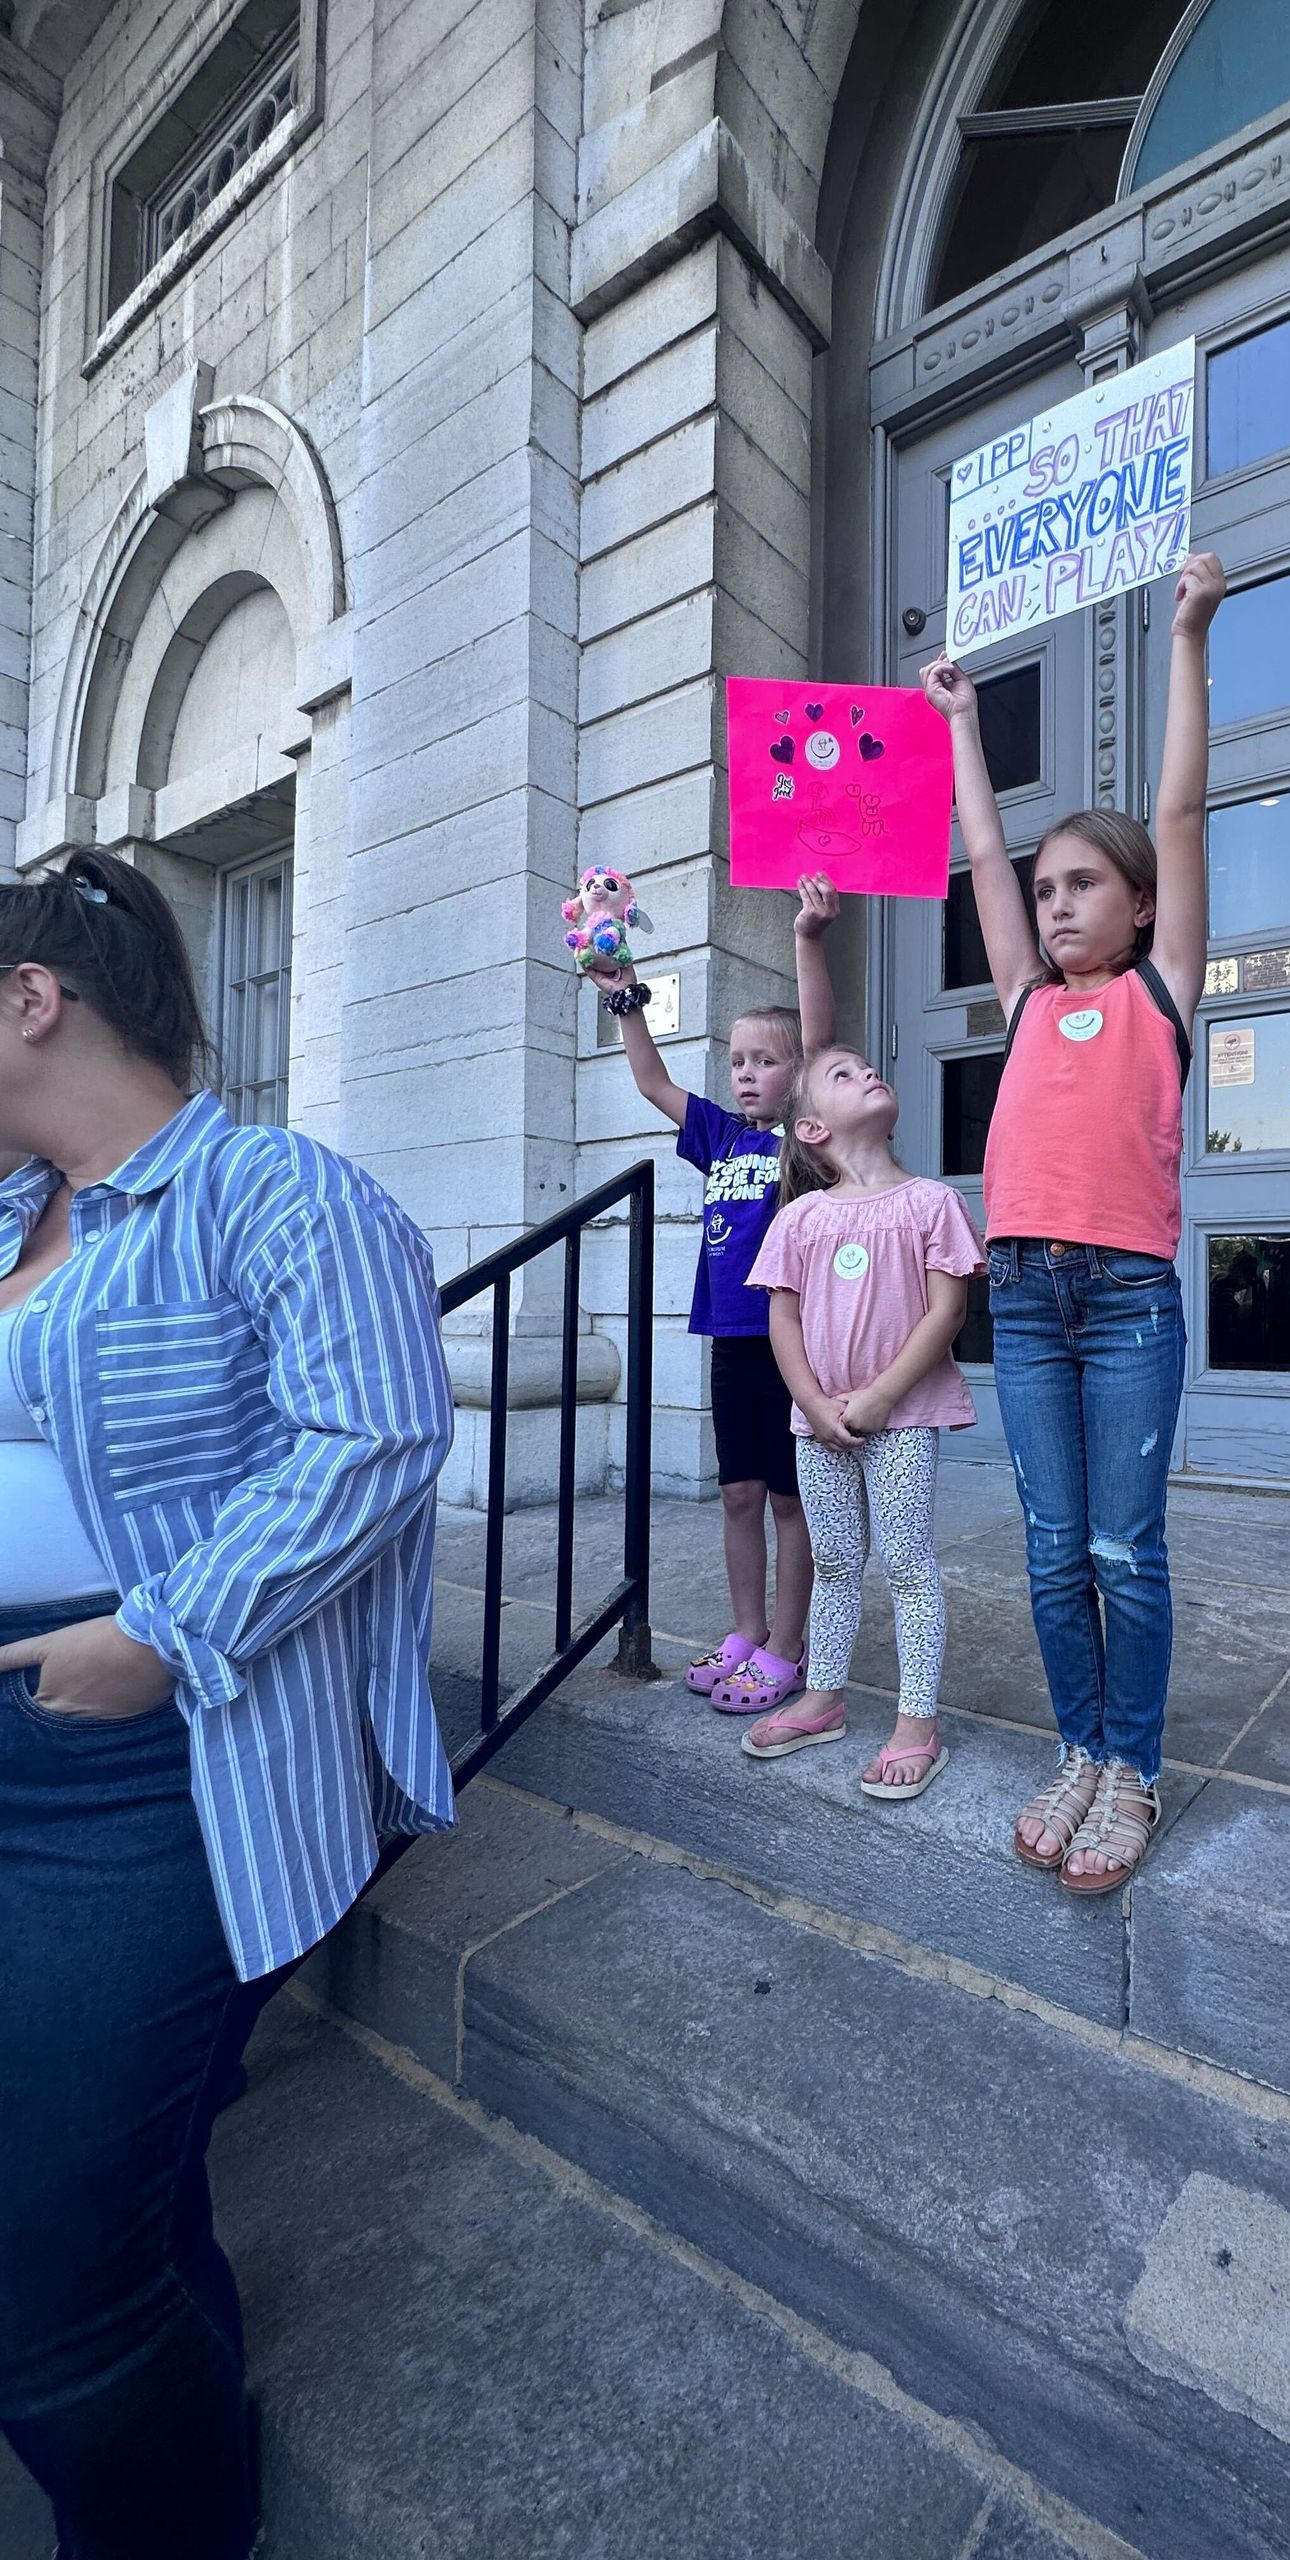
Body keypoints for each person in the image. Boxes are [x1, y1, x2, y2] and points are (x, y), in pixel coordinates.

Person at [0, 851, 455, 2555]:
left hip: (149, 1772)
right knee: (116, 2182)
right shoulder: (11, 1213)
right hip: (17, 1760)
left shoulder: (277, 1193)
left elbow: (380, 1437)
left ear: (34, 999)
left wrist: (165, 1634)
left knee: (42, 2282)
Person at [922, 550, 1224, 1895]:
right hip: (1028, 1296)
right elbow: (980, 848)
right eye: (1046, 893)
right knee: (1052, 1550)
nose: (1054, 904)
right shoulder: (1028, 1000)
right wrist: (960, 726)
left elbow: (1181, 804)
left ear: (1142, 905)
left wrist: (1189, 638)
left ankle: (1137, 1767)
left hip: (1126, 1298)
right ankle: (1082, 1748)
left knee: (1123, 1547)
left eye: (1084, 886)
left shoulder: (1160, 994)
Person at [587, 878, 837, 1715]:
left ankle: (791, 1647)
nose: (748, 1074)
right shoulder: (723, 1136)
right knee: (737, 1493)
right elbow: (655, 1082)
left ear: (797, 1074)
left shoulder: (807, 1136)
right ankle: (748, 1633)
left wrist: (808, 937)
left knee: (789, 1499)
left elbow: (822, 1032)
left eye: (766, 1060)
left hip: (791, 1342)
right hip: (732, 1339)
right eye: (738, 1061)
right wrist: (624, 996)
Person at [741, 1045, 982, 1797]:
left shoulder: (931, 1203)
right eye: (843, 1074)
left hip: (901, 1416)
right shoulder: (800, 1218)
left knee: (907, 1562)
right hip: (818, 1423)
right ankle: (826, 1694)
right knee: (837, 1562)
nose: (868, 1072)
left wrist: (880, 1396)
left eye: (868, 1067)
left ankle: (917, 1720)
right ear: (811, 1128)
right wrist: (813, 1403)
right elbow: (782, 1323)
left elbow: (949, 1310)